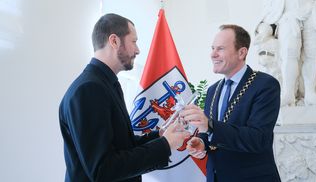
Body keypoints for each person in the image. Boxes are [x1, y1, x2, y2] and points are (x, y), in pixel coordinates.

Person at [59, 13, 190, 182]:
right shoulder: (89, 89)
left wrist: (160, 136)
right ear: (114, 41)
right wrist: (165, 145)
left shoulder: (106, 84)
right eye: (134, 41)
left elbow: (121, 145)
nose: (138, 50)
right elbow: (103, 169)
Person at [181, 25, 281, 182]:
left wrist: (210, 125)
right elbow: (211, 133)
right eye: (213, 48)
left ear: (241, 52)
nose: (213, 54)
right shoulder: (213, 90)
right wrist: (201, 143)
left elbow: (258, 138)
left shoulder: (266, 85)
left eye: (220, 49)